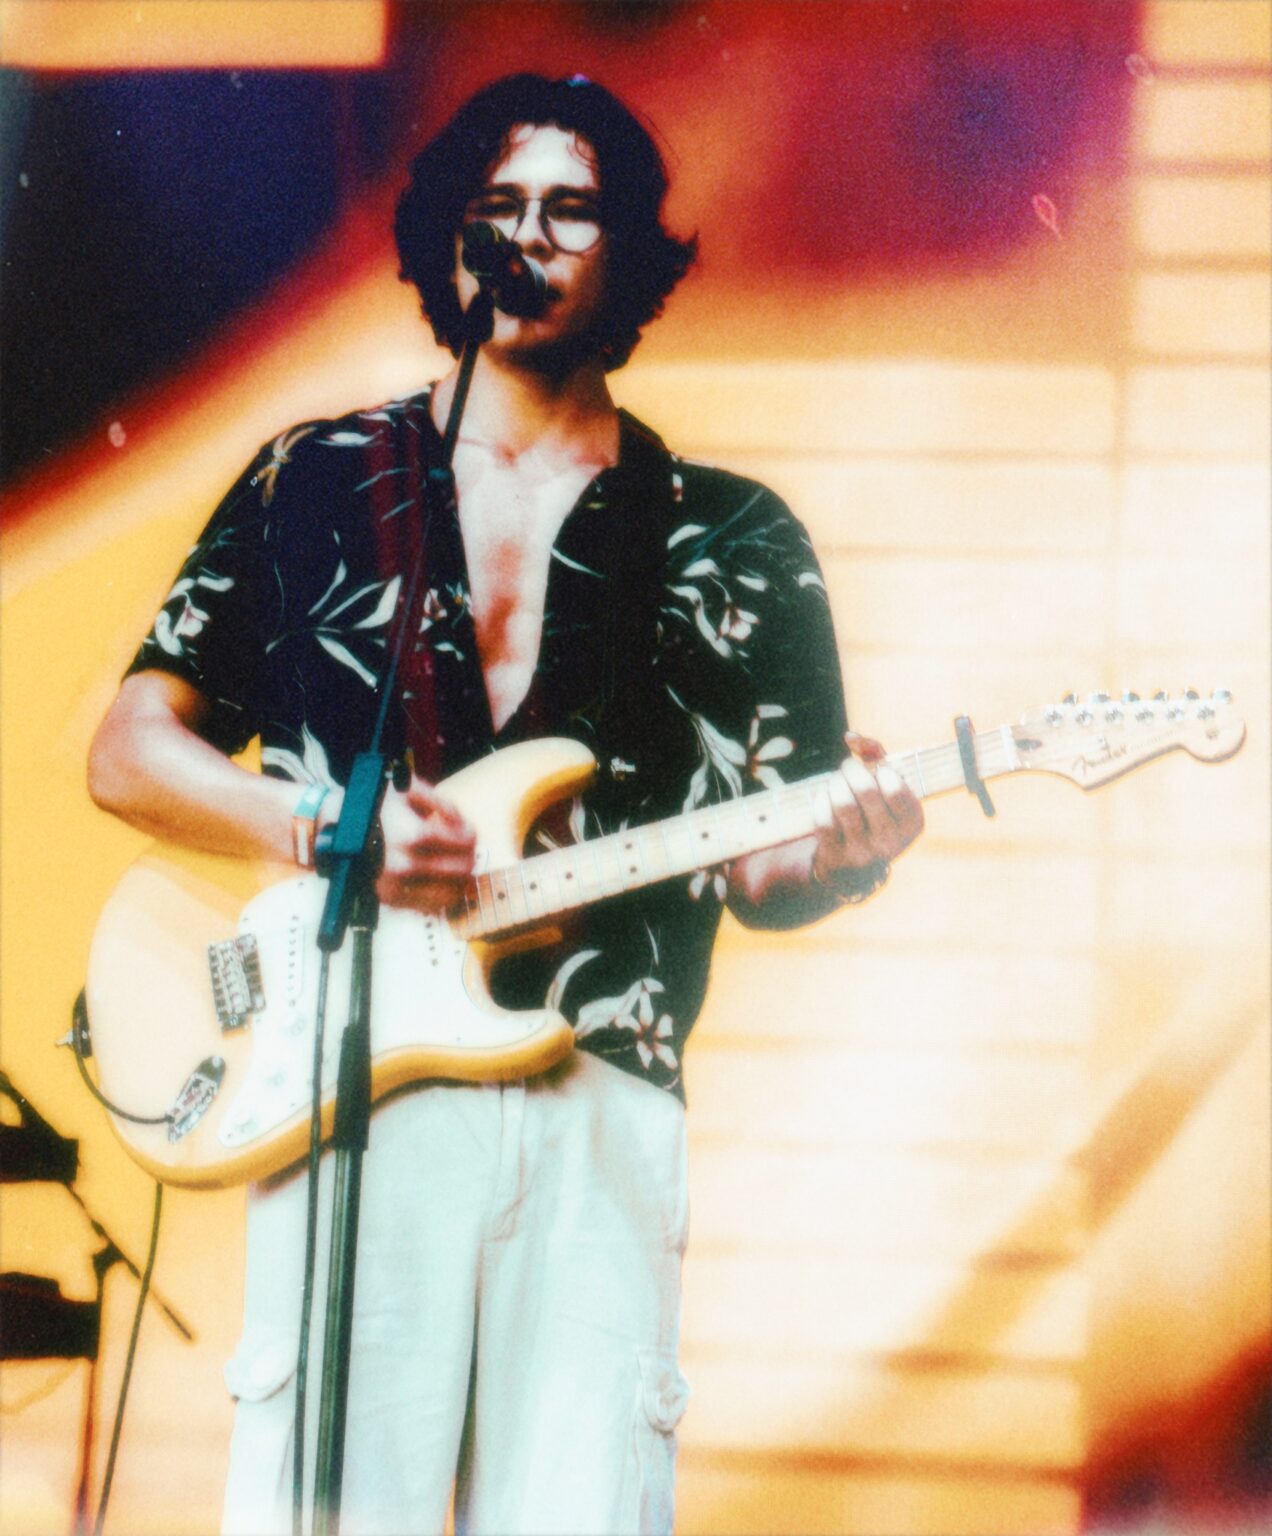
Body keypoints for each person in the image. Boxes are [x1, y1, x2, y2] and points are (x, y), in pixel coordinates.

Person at [88, 72, 923, 1536]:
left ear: (632, 252)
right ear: (451, 237)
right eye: (499, 207)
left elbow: (767, 860)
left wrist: (847, 854)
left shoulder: (735, 537)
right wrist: (323, 831)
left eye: (572, 210)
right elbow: (127, 750)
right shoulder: (314, 480)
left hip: (601, 1086)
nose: (527, 237)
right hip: (353, 1084)